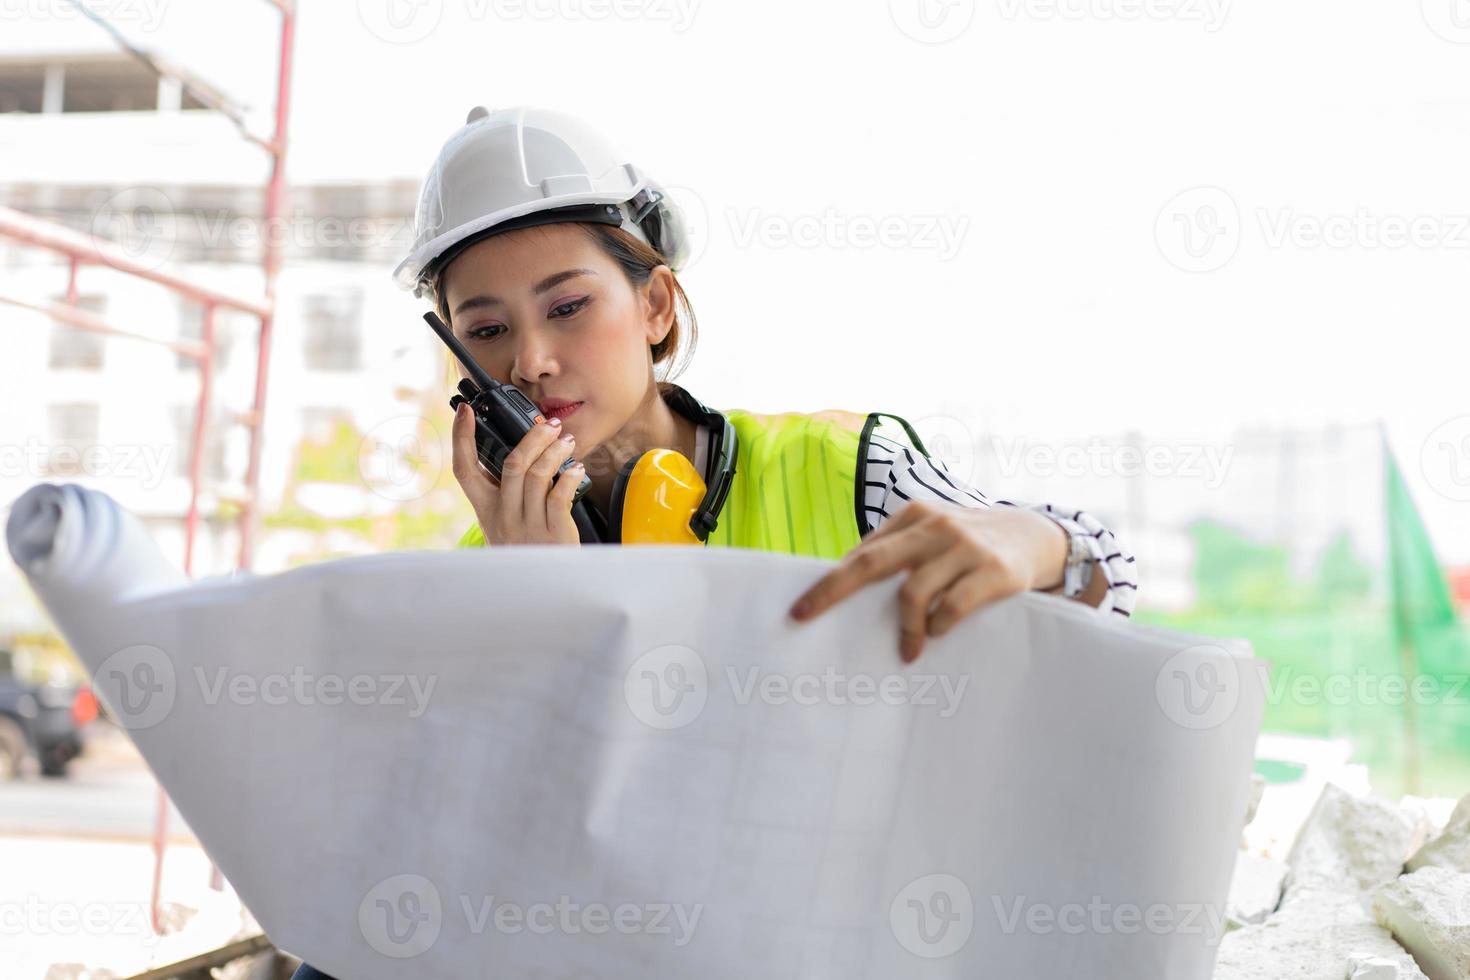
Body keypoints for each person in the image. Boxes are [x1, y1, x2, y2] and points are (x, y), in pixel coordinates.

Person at [287, 105, 1137, 980]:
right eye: (488, 330)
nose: (531, 362)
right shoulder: (474, 579)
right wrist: (537, 611)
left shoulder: (841, 469)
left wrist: (1044, 545)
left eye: (569, 307)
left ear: (654, 305)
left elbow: (1116, 604)